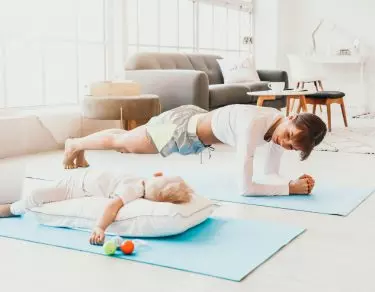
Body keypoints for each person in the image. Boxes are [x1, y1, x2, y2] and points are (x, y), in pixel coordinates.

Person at [62, 104, 327, 196]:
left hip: (194, 126)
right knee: (125, 145)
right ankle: (75, 144)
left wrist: (291, 183)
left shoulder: (277, 124)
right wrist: (289, 189)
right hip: (181, 129)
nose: (285, 143)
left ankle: (79, 146)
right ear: (291, 116)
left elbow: (270, 173)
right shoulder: (254, 125)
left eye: (293, 147)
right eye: (290, 136)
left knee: (126, 140)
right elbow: (245, 188)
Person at [0, 170, 192, 245]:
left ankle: (11, 209)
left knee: (36, 196)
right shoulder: (140, 179)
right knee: (39, 191)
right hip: (77, 178)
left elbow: (112, 206)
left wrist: (100, 227)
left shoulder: (133, 189)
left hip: (74, 189)